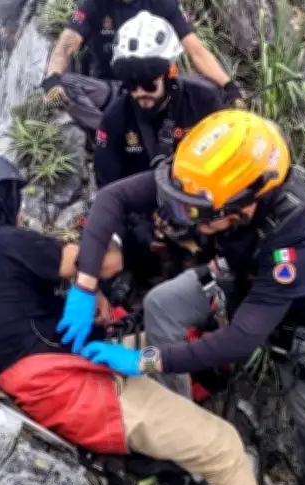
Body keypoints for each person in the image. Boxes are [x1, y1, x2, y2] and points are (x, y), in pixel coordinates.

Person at [0, 152, 272, 485]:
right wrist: (124, 239)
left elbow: (14, 321)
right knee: (223, 448)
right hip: (72, 390)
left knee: (166, 339)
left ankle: (185, 419)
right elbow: (101, 263)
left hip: (37, 386)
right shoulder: (2, 243)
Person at [55, 109, 305, 485]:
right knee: (162, 305)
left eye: (199, 211)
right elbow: (111, 199)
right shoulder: (208, 184)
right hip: (235, 279)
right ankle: (186, 427)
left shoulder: (292, 236)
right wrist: (84, 288)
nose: (185, 215)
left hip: (300, 324)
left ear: (245, 203)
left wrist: (145, 361)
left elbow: (242, 338)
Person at [94, 10, 223, 292]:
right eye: (130, 85)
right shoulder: (115, 120)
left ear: (170, 72)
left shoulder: (204, 102)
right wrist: (138, 230)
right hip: (144, 216)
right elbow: (107, 187)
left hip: (204, 208)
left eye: (149, 83)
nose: (140, 92)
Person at [42, 0, 244, 108]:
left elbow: (195, 50)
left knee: (209, 93)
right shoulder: (95, 4)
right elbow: (67, 44)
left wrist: (228, 85)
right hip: (111, 88)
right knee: (65, 84)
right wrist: (52, 78)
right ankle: (106, 129)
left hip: (157, 85)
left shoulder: (162, 3)